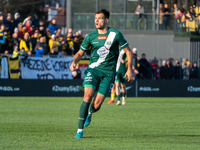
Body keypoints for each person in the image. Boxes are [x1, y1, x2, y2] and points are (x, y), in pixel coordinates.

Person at [70, 9, 133, 139]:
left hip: (108, 74)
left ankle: (90, 111)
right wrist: (74, 61)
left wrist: (129, 69)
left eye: (99, 18)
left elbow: (128, 51)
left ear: (106, 20)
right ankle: (79, 130)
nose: (96, 20)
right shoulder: (90, 36)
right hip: (93, 70)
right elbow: (80, 53)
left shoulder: (115, 34)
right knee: (87, 96)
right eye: (95, 18)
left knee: (97, 105)